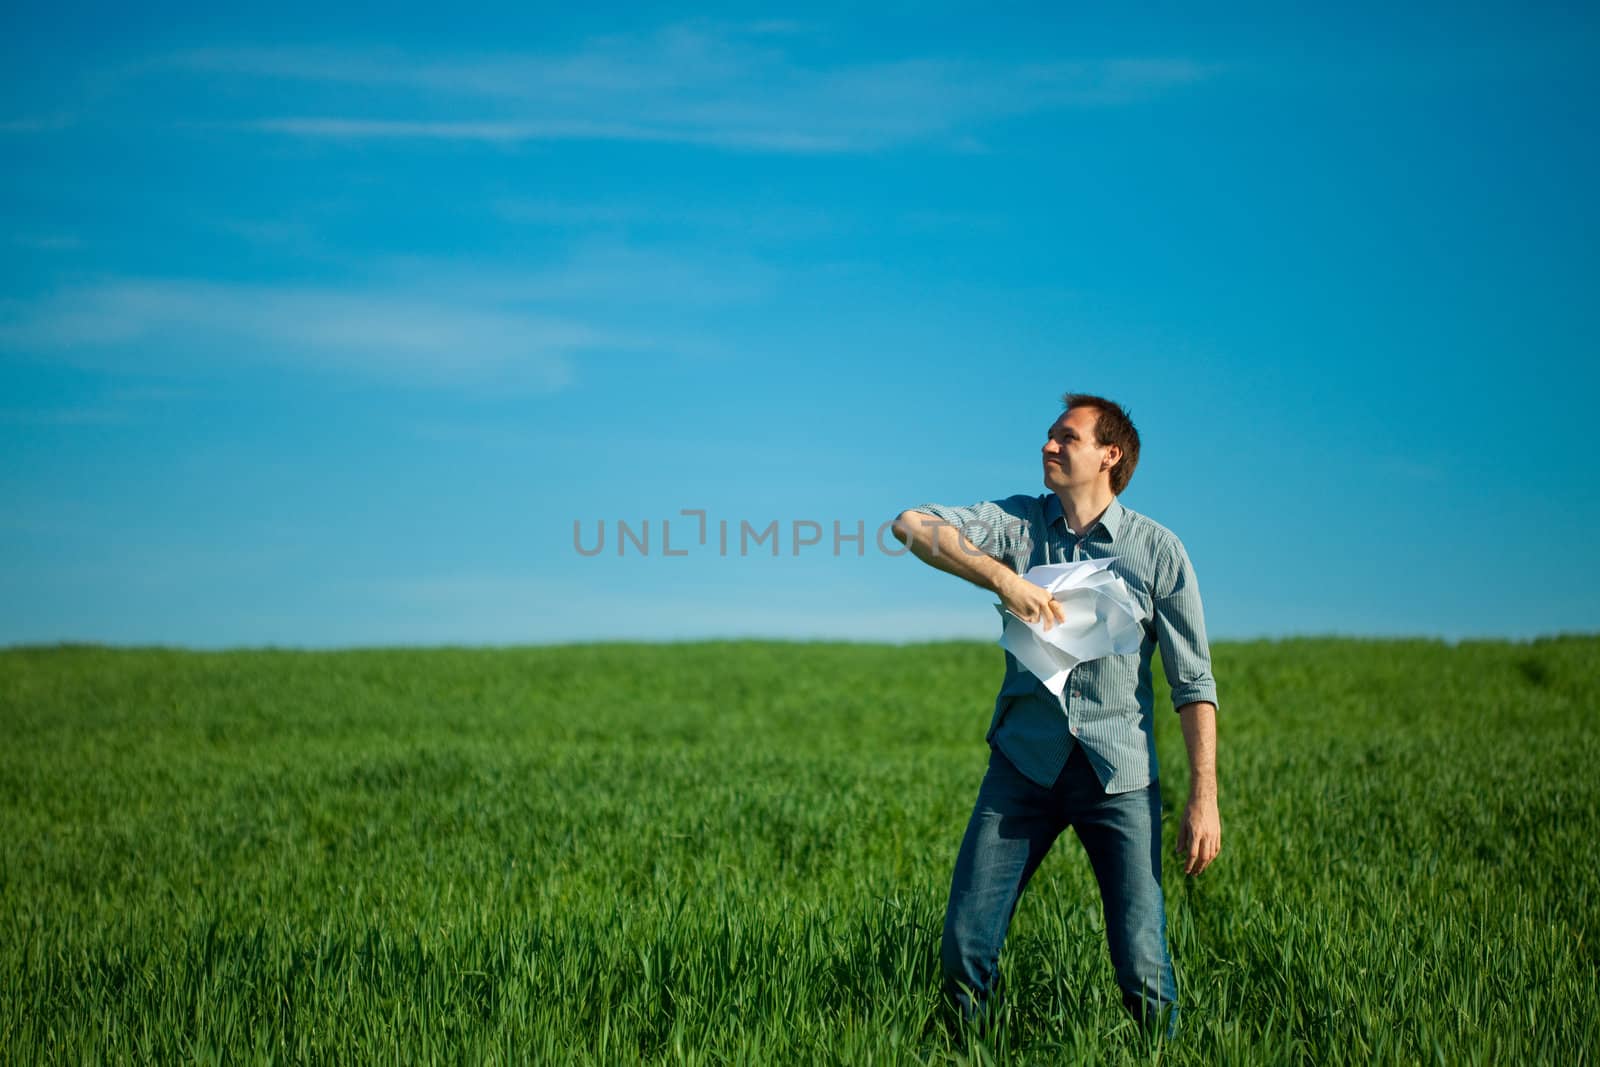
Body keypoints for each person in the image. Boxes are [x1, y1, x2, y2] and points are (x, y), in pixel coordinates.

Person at [892, 392, 1220, 1039]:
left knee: (1141, 961)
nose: (1049, 445)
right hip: (1023, 769)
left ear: (1110, 454)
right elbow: (910, 523)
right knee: (965, 945)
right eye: (1049, 436)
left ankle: (1163, 1053)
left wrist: (1203, 798)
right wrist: (1003, 579)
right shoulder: (1018, 525)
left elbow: (1193, 682)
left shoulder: (1158, 551)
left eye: (1066, 438)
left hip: (1117, 775)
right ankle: (967, 1051)